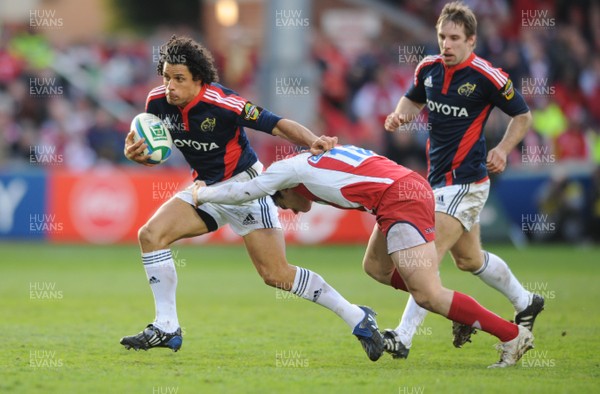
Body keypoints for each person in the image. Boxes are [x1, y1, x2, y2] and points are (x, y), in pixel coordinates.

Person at [120, 35, 385, 362]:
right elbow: (152, 146)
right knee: (150, 235)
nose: (170, 86)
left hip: (246, 188)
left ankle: (357, 316)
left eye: (179, 79)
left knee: (276, 274)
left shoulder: (222, 102)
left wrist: (314, 140)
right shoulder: (156, 102)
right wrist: (136, 154)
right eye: (166, 77)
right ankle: (167, 327)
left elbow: (276, 124)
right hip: (206, 190)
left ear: (199, 80)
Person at [192, 144, 535, 368]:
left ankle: (512, 335)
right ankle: (454, 308)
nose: (291, 212)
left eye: (283, 204)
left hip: (399, 198)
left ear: (283, 190)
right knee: (375, 267)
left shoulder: (286, 170)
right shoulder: (314, 160)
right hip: (401, 192)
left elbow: (244, 191)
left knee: (428, 294)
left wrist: (202, 193)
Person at [383, 1, 544, 359]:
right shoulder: (428, 68)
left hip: (467, 182)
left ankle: (403, 337)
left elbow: (522, 116)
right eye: (442, 36)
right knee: (468, 261)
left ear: (471, 41)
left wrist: (502, 149)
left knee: (425, 258)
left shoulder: (488, 76)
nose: (447, 44)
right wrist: (398, 117)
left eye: (455, 38)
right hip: (437, 180)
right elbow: (413, 100)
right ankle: (526, 300)